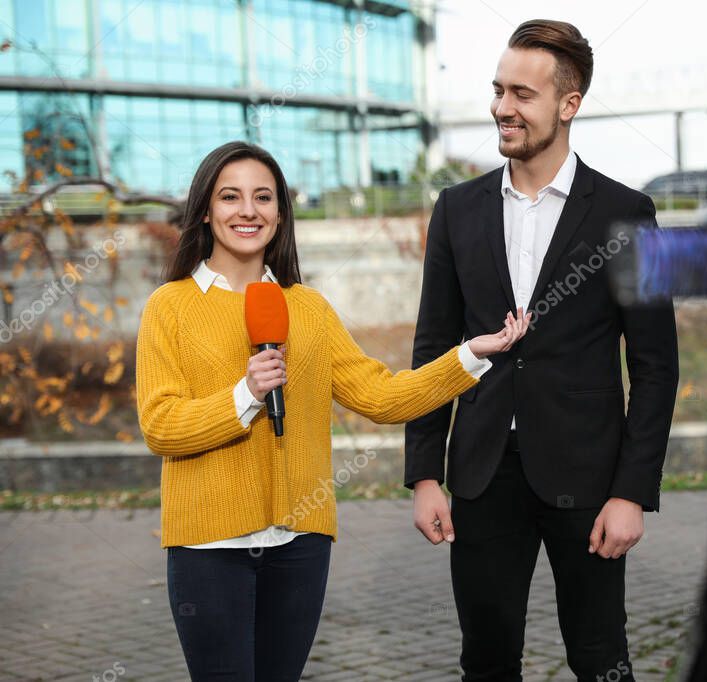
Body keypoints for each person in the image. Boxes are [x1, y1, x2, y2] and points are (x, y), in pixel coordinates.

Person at [135, 140, 530, 680]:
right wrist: (246, 395)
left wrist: (468, 355)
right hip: (209, 547)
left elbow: (382, 396)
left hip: (301, 544)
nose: (247, 211)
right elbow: (161, 426)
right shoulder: (170, 307)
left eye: (263, 197)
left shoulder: (308, 309)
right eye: (230, 197)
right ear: (206, 209)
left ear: (280, 212)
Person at [404, 19, 679, 682]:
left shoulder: (627, 214)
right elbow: (432, 346)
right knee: (488, 660)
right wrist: (423, 474)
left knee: (599, 659)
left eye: (522, 94)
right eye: (498, 90)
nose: (502, 107)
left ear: (568, 103)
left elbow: (654, 365)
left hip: (588, 478)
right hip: (480, 472)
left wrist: (631, 494)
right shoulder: (456, 209)